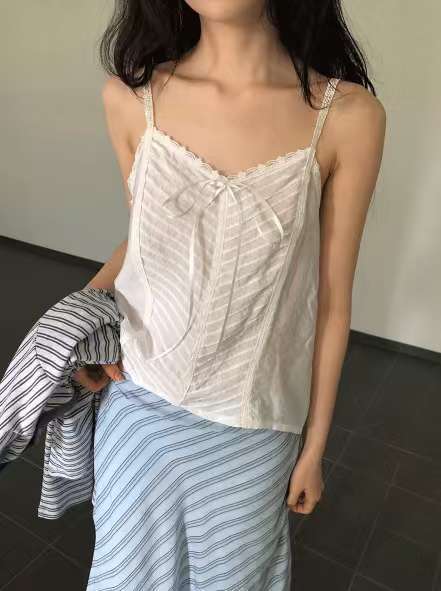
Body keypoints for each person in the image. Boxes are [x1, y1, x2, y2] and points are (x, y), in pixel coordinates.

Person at [74, 0, 386, 588]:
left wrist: (315, 447)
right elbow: (144, 240)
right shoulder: (130, 99)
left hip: (255, 426)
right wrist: (77, 321)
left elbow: (332, 301)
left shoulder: (347, 117)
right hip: (137, 409)